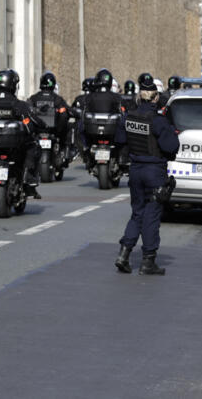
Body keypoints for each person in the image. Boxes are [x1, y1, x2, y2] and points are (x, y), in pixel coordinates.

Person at [115, 73, 179, 275]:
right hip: (154, 171)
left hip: (135, 170)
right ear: (156, 98)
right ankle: (148, 261)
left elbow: (119, 140)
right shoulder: (158, 121)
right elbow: (171, 146)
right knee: (151, 216)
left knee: (137, 213)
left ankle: (124, 254)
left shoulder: (129, 117)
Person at [0, 69, 44, 198]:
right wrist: (41, 126)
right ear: (13, 85)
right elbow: (31, 122)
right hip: (14, 149)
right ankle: (28, 179)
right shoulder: (19, 105)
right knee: (34, 146)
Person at [81, 68, 127, 168]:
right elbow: (124, 111)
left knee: (81, 128)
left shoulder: (90, 97)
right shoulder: (117, 97)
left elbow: (83, 112)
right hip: (110, 135)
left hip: (94, 136)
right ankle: (122, 158)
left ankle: (86, 151)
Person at [28, 71, 70, 171]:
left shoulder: (33, 98)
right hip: (53, 131)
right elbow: (64, 113)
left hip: (38, 131)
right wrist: (59, 130)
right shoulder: (58, 99)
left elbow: (27, 112)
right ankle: (64, 154)